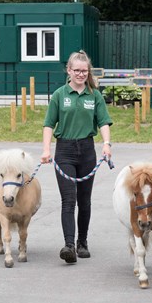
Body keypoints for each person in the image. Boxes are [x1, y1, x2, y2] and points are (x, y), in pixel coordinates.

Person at [42, 50, 113, 264]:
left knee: (85, 200)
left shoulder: (94, 95)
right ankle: (69, 245)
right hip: (64, 151)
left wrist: (107, 144)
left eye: (84, 71)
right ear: (69, 70)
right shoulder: (59, 95)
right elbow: (48, 124)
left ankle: (83, 242)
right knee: (68, 199)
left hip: (87, 150)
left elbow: (103, 122)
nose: (81, 74)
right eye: (77, 70)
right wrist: (46, 149)